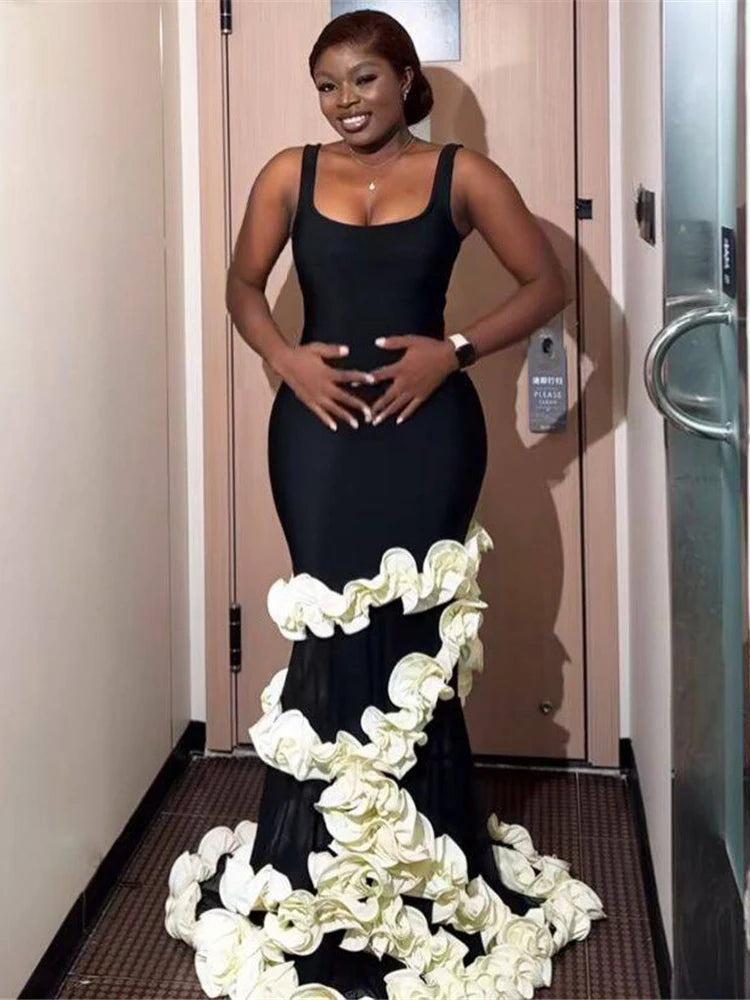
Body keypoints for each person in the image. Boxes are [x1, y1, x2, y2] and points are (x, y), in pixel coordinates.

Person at [164, 10, 605, 999]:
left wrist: (451, 353)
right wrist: (284, 359)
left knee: (412, 631)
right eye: (327, 84)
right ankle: (316, 866)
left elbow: (548, 281)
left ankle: (423, 861)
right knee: (328, 629)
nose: (346, 101)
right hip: (314, 435)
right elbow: (242, 284)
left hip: (428, 436)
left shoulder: (462, 175)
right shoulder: (287, 171)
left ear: (408, 80)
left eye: (364, 79)